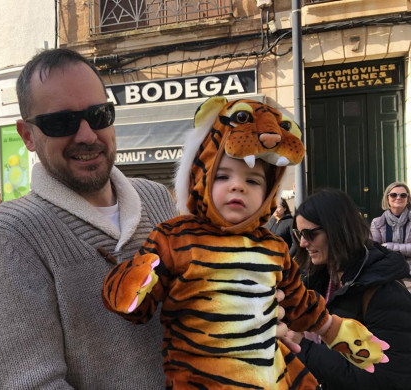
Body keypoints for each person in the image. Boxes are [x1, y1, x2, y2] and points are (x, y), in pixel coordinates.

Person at [0, 48, 294, 390]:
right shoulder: (13, 234)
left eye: (98, 115)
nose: (86, 135)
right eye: (61, 122)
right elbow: (27, 383)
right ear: (27, 135)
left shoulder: (157, 197)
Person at [103, 97, 387, 389]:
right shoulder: (174, 237)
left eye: (253, 181)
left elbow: (299, 301)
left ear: (269, 193)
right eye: (223, 176)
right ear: (201, 177)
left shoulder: (273, 247)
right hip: (201, 379)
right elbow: (138, 309)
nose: (238, 185)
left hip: (270, 375)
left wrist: (333, 330)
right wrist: (132, 283)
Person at [285, 188, 411, 389]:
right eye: (298, 233)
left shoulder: (384, 294)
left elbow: (386, 379)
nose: (302, 243)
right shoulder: (317, 278)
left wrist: (302, 347)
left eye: (310, 234)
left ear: (338, 230)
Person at [370, 182, 411, 283]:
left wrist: (389, 246)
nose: (398, 197)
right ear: (387, 198)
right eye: (393, 195)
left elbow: (382, 247)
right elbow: (375, 249)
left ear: (407, 199)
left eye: (403, 195)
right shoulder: (377, 222)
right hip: (387, 272)